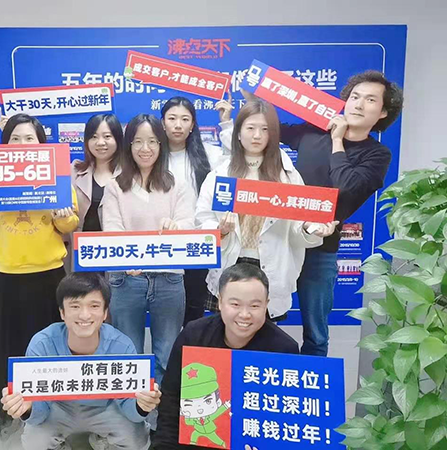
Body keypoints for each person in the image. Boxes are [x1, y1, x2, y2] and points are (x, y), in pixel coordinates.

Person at [220, 71, 403, 356]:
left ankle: (307, 381)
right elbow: (270, 132)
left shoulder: (377, 154)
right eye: (355, 96)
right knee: (260, 317)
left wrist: (338, 141)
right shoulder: (314, 130)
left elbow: (346, 187)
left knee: (316, 332)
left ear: (383, 112)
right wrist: (256, 102)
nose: (358, 104)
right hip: (281, 240)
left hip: (321, 246)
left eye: (370, 100)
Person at [0, 113, 80, 429]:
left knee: (53, 344)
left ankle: (57, 409)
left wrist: (61, 214)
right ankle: (19, 408)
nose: (22, 144)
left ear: (41, 143)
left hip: (50, 274)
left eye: (29, 138)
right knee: (13, 345)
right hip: (9, 275)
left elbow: (69, 224)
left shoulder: (56, 174)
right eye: (15, 138)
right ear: (5, 144)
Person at [195, 98, 337, 321]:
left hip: (271, 267)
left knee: (265, 338)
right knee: (225, 335)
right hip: (230, 264)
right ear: (238, 133)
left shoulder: (288, 176)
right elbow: (202, 218)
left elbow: (300, 224)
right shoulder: (220, 175)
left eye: (265, 129)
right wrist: (219, 230)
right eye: (250, 128)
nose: (257, 136)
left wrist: (311, 229)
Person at [0, 272, 161, 450]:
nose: (85, 315)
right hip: (58, 408)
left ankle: (102, 440)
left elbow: (129, 407)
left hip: (106, 408)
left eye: (94, 306)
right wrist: (28, 408)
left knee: (137, 441)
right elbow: (39, 412)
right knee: (34, 443)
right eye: (75, 306)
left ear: (105, 312)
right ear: (62, 312)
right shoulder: (42, 344)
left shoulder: (121, 345)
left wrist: (141, 405)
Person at [153, 263, 299, 450]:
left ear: (266, 305)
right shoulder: (194, 336)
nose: (244, 314)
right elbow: (171, 399)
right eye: (235, 304)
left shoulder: (284, 350)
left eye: (255, 305)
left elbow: (289, 419)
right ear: (220, 302)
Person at [102, 113, 193, 385]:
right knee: (127, 354)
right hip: (126, 279)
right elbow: (112, 230)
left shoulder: (177, 185)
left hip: (169, 279)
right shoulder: (115, 187)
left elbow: (189, 223)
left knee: (167, 355)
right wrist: (126, 260)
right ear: (128, 145)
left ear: (161, 144)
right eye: (138, 141)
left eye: (152, 141)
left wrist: (176, 226)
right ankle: (131, 409)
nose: (145, 148)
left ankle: (162, 410)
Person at [161, 96, 231, 325]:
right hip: (163, 242)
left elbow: (234, 165)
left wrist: (226, 123)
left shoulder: (209, 154)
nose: (178, 125)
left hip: (198, 243)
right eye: (172, 118)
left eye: (185, 119)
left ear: (193, 124)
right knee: (167, 310)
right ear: (162, 123)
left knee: (194, 309)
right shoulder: (152, 155)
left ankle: (192, 346)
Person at [72, 113, 123, 233]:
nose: (100, 142)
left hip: (116, 243)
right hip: (80, 243)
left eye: (107, 136)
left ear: (118, 139)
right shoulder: (74, 171)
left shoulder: (129, 175)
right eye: (94, 137)